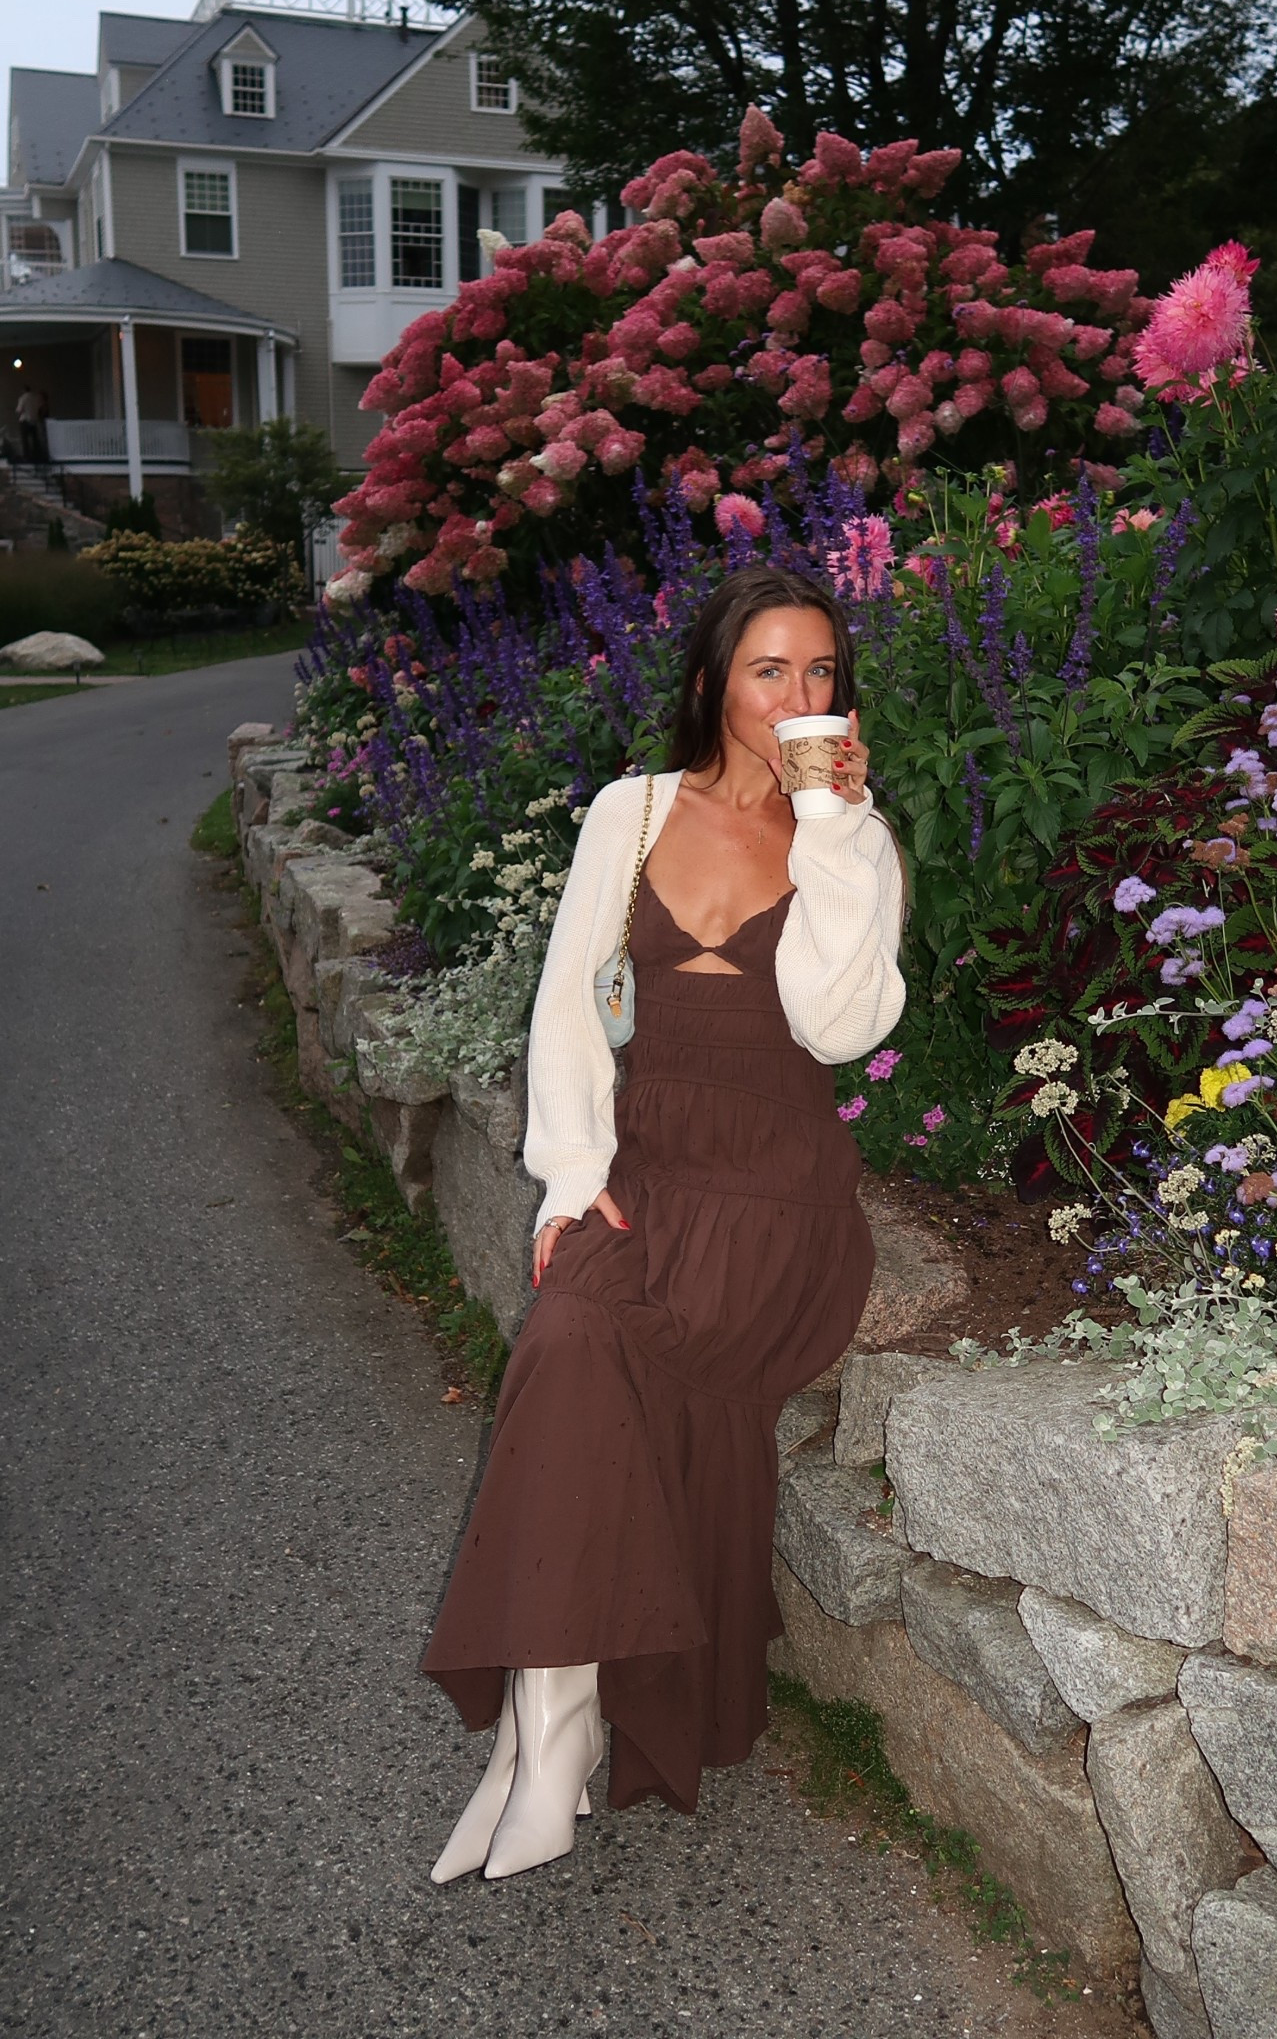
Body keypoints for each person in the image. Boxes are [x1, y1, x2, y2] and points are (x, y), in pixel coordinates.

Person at [420, 564, 907, 1882]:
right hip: (644, 1177)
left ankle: (541, 1747)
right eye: (770, 671)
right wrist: (572, 1178)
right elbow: (574, 1006)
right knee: (572, 1344)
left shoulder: (856, 841)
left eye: (821, 675)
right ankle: (548, 1729)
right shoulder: (629, 814)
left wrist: (832, 831)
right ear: (712, 683)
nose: (799, 697)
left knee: (595, 1359)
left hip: (774, 1206)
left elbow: (840, 1026)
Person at [15, 384, 47, 462]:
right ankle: (36, 455)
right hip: (34, 421)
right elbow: (41, 408)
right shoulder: (36, 398)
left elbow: (19, 410)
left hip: (25, 421)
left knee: (25, 440)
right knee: (35, 439)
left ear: (23, 390)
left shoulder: (23, 398)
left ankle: (26, 456)